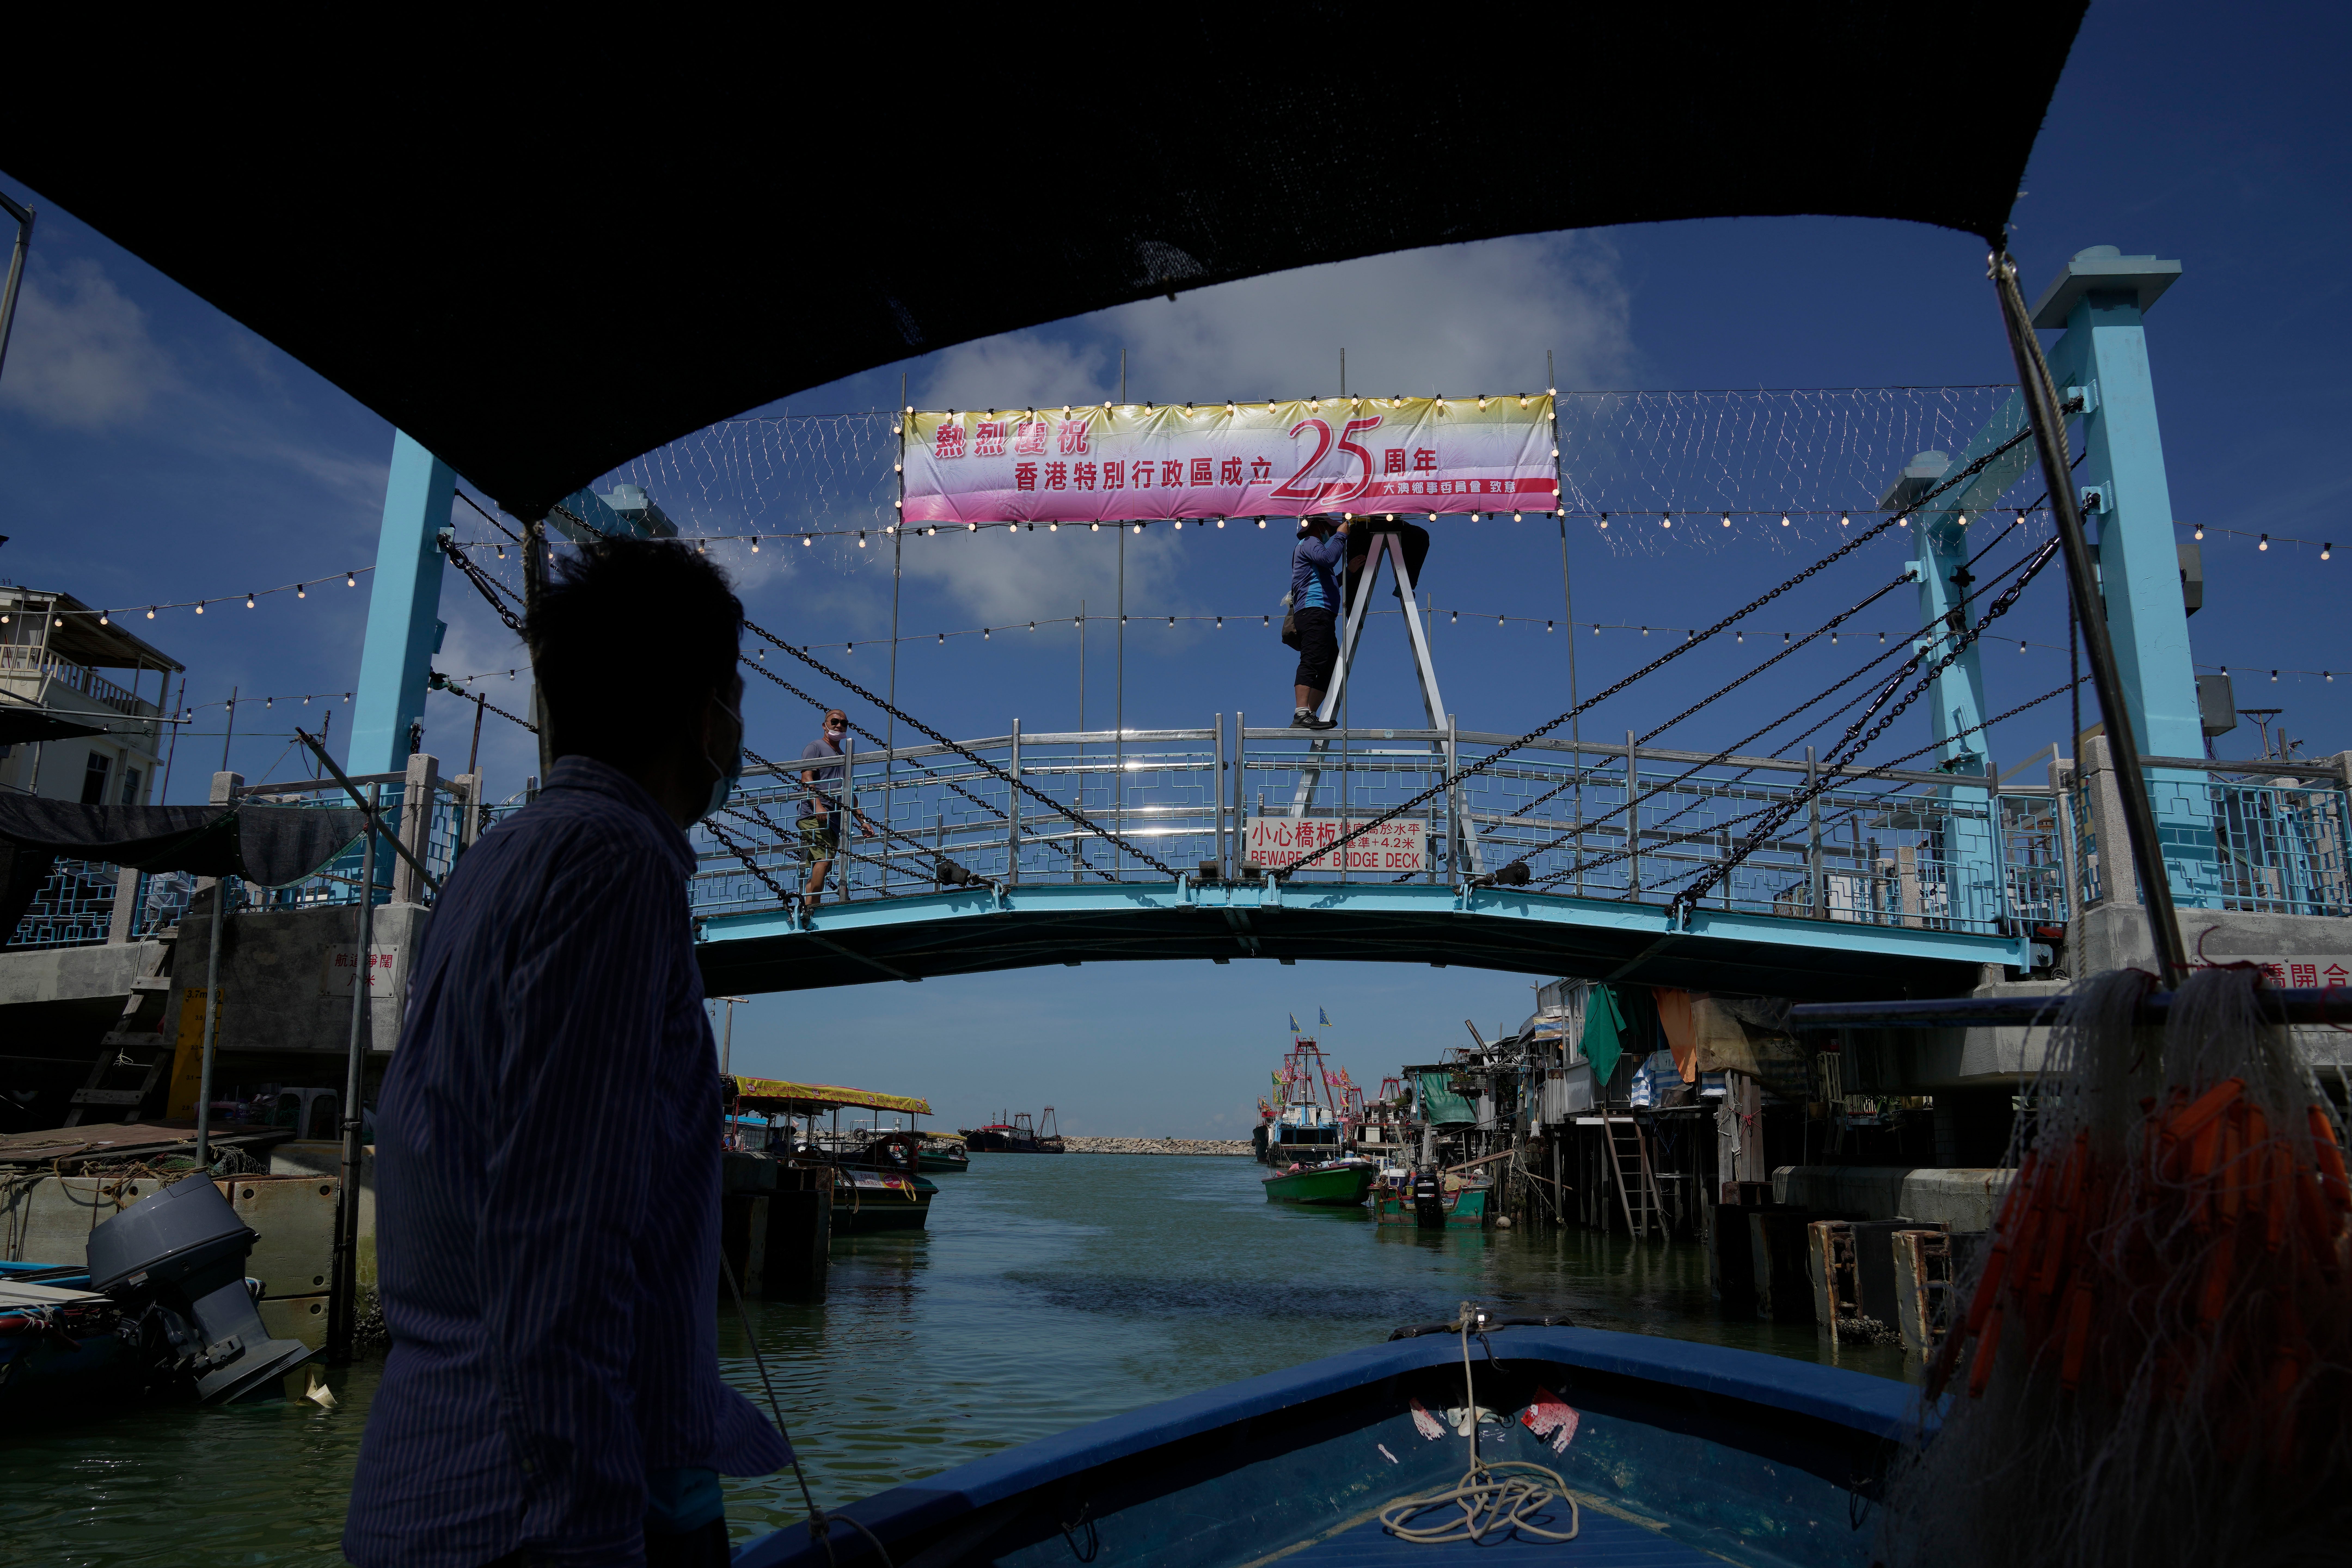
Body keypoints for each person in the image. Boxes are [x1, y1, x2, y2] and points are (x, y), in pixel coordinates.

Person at [345, 540, 788, 1568]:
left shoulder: (504, 852)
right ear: (701, 707)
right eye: (731, 693)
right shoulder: (613, 864)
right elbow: (559, 1240)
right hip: (524, 1514)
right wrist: (585, 1531)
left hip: (447, 1479)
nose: (735, 722)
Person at [797, 709, 877, 910]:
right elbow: (807, 779)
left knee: (823, 864)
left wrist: (863, 821)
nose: (839, 725)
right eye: (835, 721)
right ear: (825, 725)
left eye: (844, 723)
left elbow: (849, 793)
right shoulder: (815, 747)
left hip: (833, 818)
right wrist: (818, 805)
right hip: (814, 815)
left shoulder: (843, 755)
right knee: (824, 861)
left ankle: (808, 904)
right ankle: (812, 909)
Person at [1286, 514, 1350, 728]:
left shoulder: (1310, 549)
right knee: (1313, 660)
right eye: (1329, 530)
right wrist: (1341, 536)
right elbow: (1330, 558)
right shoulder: (1310, 542)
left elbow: (1324, 582)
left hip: (1320, 613)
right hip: (1314, 612)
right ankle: (1302, 712)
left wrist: (1348, 574)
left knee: (1329, 665)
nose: (1330, 534)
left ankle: (1309, 714)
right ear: (1318, 526)